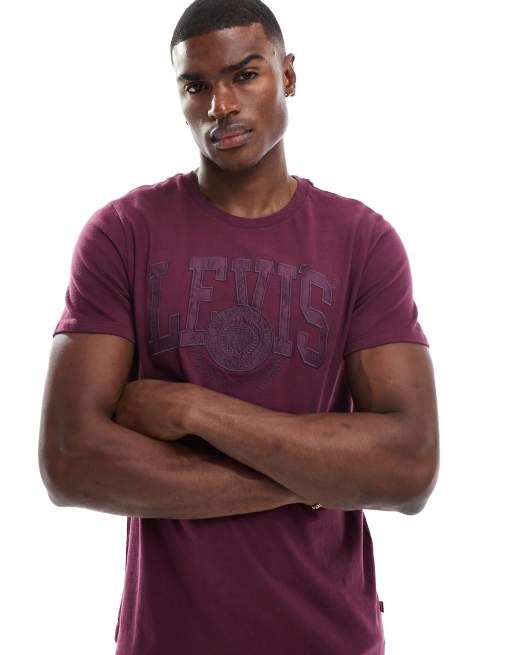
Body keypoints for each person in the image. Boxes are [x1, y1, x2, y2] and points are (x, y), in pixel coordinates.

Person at [38, 1, 439, 653]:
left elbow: (410, 467)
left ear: (288, 75)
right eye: (196, 85)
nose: (219, 105)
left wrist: (193, 410)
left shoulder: (362, 241)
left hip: (330, 637)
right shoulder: (122, 234)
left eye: (244, 75)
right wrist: (317, 476)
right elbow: (70, 461)